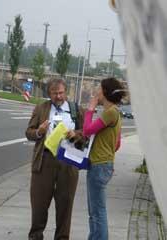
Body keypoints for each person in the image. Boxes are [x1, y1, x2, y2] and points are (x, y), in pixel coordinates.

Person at [26, 78, 84, 240]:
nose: (58, 96)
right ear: (49, 94)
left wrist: (76, 134)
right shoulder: (41, 108)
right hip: (45, 161)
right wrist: (39, 131)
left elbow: (86, 134)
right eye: (54, 93)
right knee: (39, 204)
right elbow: (29, 132)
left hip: (68, 162)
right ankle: (35, 236)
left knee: (65, 205)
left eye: (61, 93)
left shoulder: (75, 109)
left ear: (66, 92)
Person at [83, 77, 126, 240]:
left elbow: (87, 130)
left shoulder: (110, 113)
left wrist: (90, 109)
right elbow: (117, 144)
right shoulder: (115, 112)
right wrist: (107, 154)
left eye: (99, 89)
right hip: (103, 164)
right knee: (95, 211)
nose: (96, 92)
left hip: (99, 166)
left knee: (97, 212)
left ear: (105, 92)